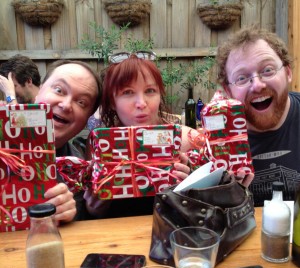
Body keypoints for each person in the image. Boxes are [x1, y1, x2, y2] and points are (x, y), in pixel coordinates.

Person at [84, 51, 195, 218]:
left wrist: (195, 186)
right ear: (113, 102)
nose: (141, 103)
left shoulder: (186, 140)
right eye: (128, 92)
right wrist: (95, 206)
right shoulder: (102, 146)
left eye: (150, 90)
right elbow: (96, 216)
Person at [216, 25, 299, 206]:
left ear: (288, 72)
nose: (257, 85)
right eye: (242, 78)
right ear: (228, 90)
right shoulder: (217, 141)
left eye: (267, 70)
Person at [34, 59, 102, 222]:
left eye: (81, 102)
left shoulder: (76, 170)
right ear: (38, 91)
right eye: (59, 90)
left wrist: (69, 215)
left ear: (87, 119)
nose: (66, 105)